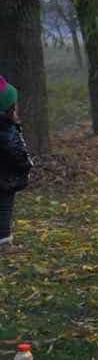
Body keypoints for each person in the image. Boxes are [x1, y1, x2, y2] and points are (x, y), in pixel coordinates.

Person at [0, 76, 34, 250]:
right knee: (4, 207)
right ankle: (4, 241)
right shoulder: (5, 128)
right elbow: (17, 153)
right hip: (5, 176)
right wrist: (26, 165)